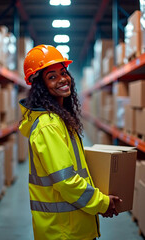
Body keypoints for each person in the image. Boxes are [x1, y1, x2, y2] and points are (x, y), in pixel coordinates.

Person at [19, 45, 121, 240]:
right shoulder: (48, 125)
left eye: (63, 73)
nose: (62, 80)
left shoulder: (61, 118)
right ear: (40, 85)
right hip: (64, 231)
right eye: (52, 76)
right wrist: (102, 203)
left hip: (72, 225)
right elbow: (66, 181)